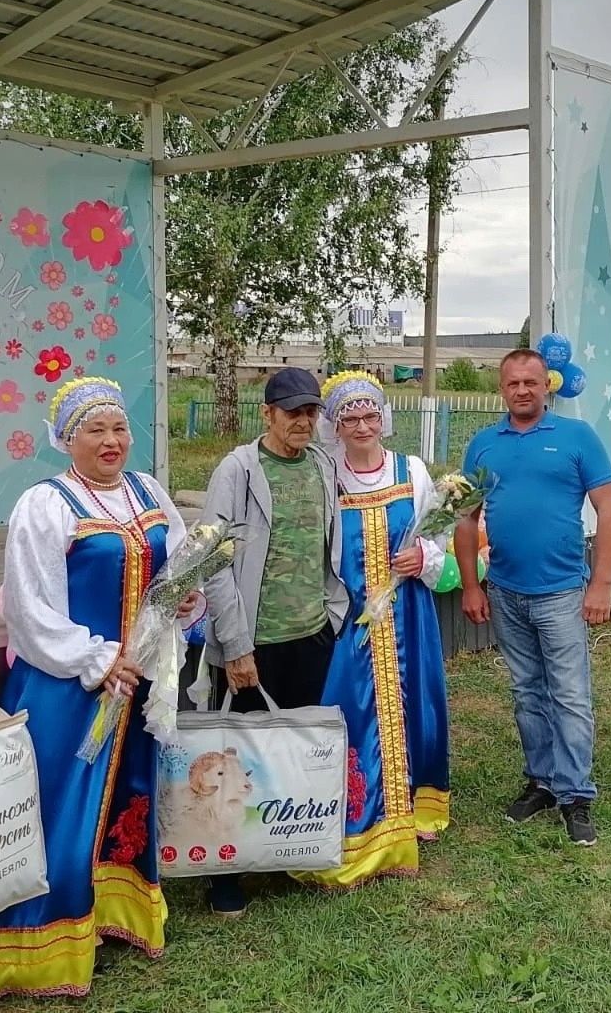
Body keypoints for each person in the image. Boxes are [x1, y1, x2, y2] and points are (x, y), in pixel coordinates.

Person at [0, 376, 200, 1000]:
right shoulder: (47, 503)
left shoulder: (147, 489)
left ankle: (110, 918)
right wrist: (96, 659)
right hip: (68, 685)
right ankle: (37, 942)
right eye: (95, 430)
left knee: (125, 802)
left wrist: (184, 603)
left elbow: (178, 564)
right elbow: (30, 611)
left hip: (135, 679)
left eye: (118, 428)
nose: (111, 442)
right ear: (67, 439)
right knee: (60, 809)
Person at [453, 348, 611, 849]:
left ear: (546, 386)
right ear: (501, 389)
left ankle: (576, 795)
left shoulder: (576, 438)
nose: (523, 390)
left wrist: (602, 584)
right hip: (506, 591)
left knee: (569, 694)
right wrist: (469, 584)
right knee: (528, 692)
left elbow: (609, 511)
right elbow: (464, 518)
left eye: (531, 382)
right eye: (513, 383)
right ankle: (542, 782)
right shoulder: (484, 446)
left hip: (563, 593)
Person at [199, 366, 347, 915]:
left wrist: (332, 614)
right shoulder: (238, 470)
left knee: (288, 752)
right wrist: (236, 646)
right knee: (234, 758)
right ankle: (226, 874)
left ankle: (280, 853)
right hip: (253, 643)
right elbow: (211, 559)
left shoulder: (322, 465)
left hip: (310, 633)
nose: (304, 422)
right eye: (293, 413)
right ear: (268, 414)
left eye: (311, 412)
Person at [300, 371, 450, 888]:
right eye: (349, 417)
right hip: (353, 619)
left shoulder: (411, 469)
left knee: (416, 702)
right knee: (356, 708)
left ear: (383, 419)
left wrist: (422, 555)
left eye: (369, 415)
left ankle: (416, 805)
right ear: (334, 425)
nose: (362, 425)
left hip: (409, 611)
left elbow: (441, 536)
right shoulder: (325, 477)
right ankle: (365, 814)